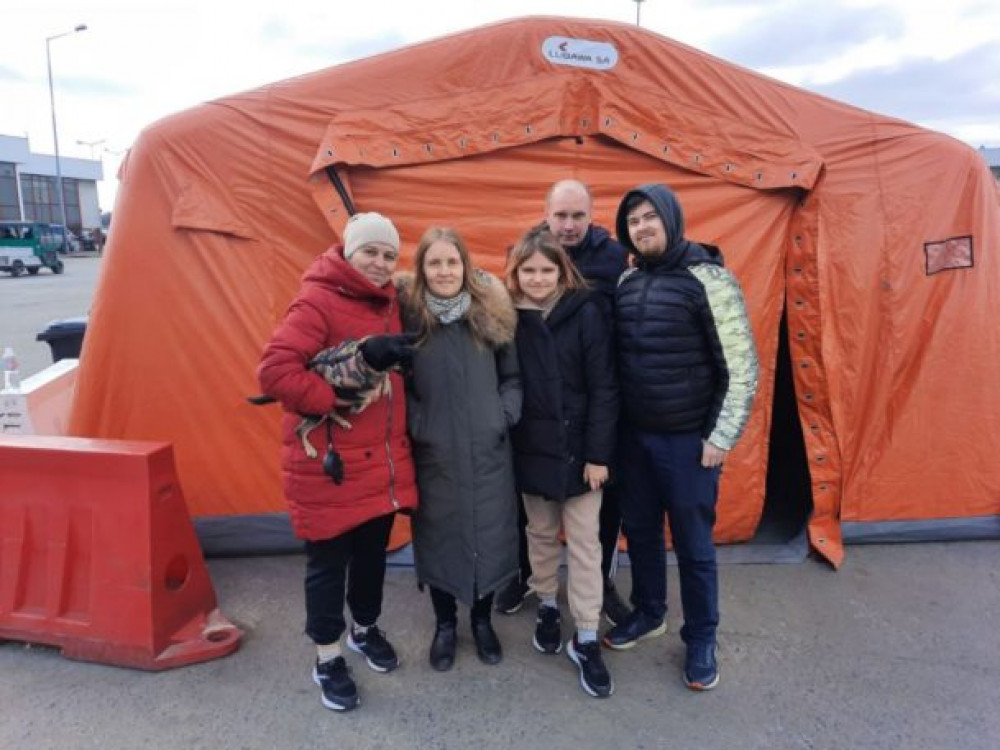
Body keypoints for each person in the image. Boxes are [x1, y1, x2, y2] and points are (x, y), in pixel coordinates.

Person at [257, 212, 419, 712]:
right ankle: (327, 657)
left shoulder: (393, 303)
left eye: (389, 255)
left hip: (380, 463)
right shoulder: (318, 300)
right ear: (348, 252)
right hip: (329, 466)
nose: (379, 263)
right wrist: (334, 401)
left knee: (372, 555)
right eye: (370, 251)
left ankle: (364, 630)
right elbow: (274, 372)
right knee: (328, 567)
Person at [603, 184, 759, 691]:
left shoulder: (709, 280)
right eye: (633, 221)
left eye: (650, 217)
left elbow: (741, 367)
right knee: (641, 533)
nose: (641, 227)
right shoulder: (627, 281)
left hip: (689, 443)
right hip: (635, 441)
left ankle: (701, 636)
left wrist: (720, 437)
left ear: (671, 219)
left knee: (693, 544)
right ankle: (650, 612)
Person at [495, 179, 632, 628]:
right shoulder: (522, 269)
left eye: (577, 216)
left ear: (591, 216)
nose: (569, 224)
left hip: (592, 404)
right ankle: (538, 588)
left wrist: (599, 448)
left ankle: (597, 592)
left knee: (592, 524)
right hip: (536, 425)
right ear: (547, 215)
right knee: (536, 522)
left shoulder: (613, 259)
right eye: (561, 216)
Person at [399, 226, 521, 672]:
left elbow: (512, 377)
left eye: (452, 262)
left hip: (488, 449)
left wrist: (501, 416)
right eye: (435, 263)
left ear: (465, 266)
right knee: (440, 537)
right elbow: (399, 383)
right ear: (422, 269)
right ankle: (445, 624)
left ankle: (482, 621)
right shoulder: (410, 320)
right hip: (436, 453)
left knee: (488, 535)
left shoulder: (489, 315)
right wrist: (419, 424)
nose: (445, 271)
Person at [505, 227, 618, 698]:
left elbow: (604, 387)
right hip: (532, 448)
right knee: (540, 533)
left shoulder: (586, 312)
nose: (537, 278)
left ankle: (586, 633)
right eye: (528, 270)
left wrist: (598, 454)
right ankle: (548, 603)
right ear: (515, 274)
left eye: (546, 270)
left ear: (562, 271)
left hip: (580, 452)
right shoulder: (507, 317)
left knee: (586, 542)